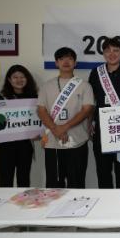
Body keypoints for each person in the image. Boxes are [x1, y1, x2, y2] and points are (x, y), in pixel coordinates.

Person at [37, 47, 94, 188]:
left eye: (70, 58)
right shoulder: (46, 86)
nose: (66, 62)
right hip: (53, 143)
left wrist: (64, 127)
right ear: (56, 63)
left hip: (77, 142)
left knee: (77, 184)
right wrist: (56, 129)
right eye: (62, 59)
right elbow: (41, 110)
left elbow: (87, 110)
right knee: (54, 185)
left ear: (75, 63)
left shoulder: (85, 86)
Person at [88, 36, 120, 188]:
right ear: (103, 53)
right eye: (108, 50)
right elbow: (91, 100)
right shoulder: (96, 73)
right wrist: (90, 123)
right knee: (103, 171)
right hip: (102, 130)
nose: (112, 54)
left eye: (116, 50)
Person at [0, 65, 38, 187]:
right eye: (15, 77)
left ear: (27, 79)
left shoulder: (34, 97)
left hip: (25, 144)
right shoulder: (0, 98)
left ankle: (23, 199)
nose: (19, 80)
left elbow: (38, 120)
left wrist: (38, 132)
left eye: (22, 77)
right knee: (5, 179)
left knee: (24, 179)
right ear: (9, 80)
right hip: (5, 146)